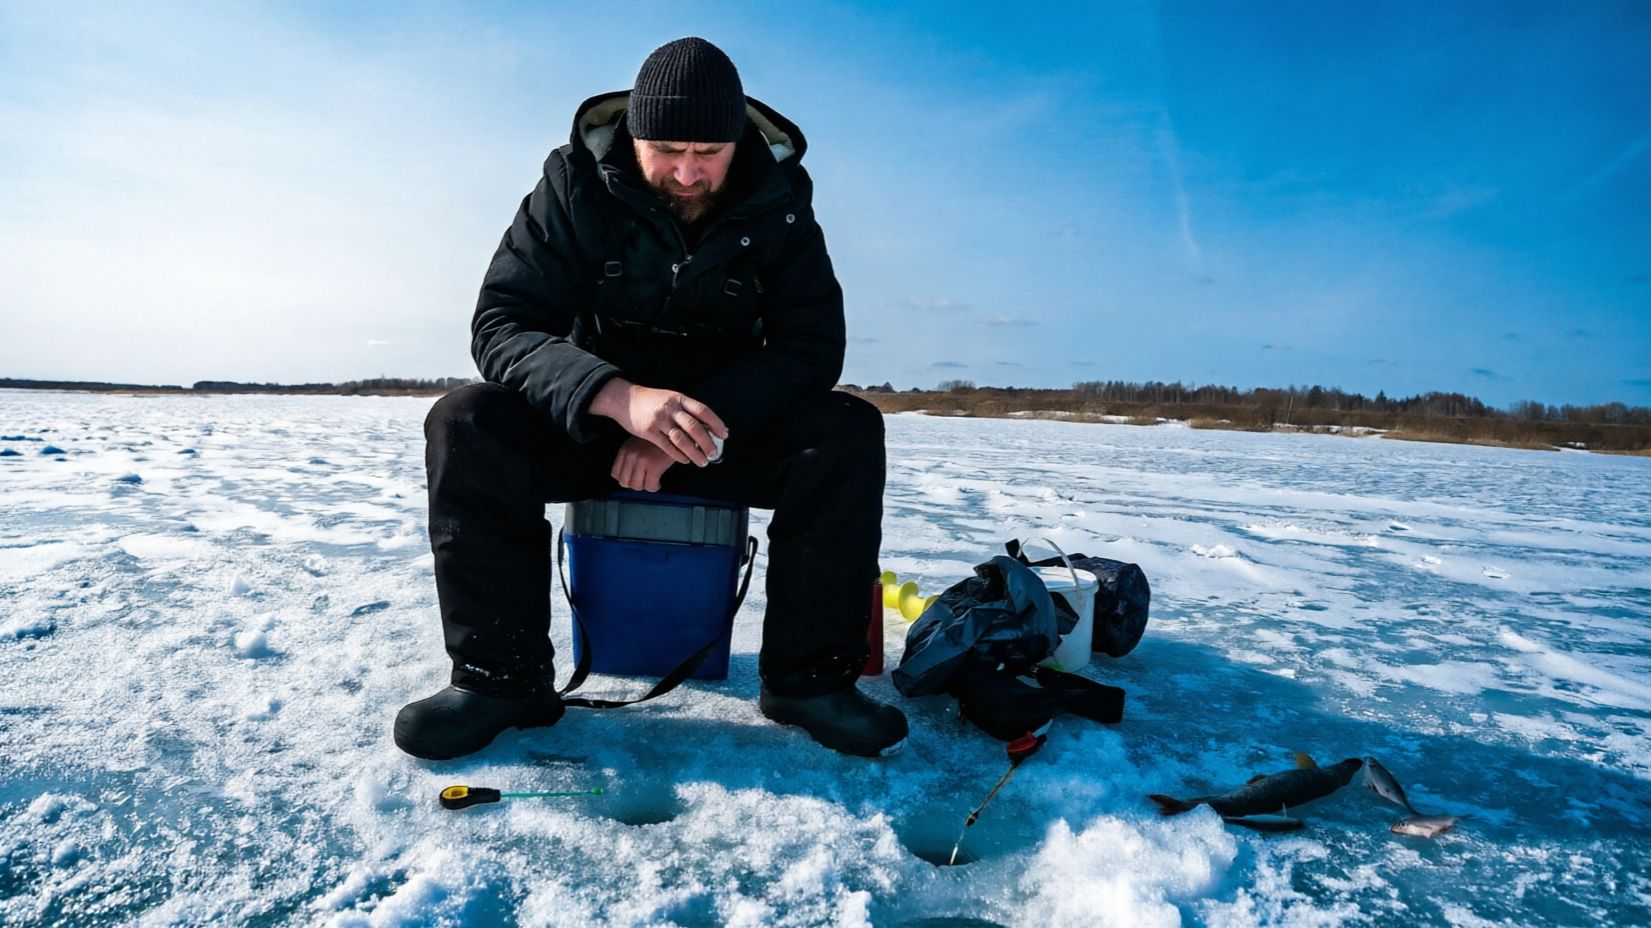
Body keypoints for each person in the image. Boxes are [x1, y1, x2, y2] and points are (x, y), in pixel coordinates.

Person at [393, 37, 907, 760]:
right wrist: (614, 397)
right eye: (667, 148)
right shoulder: (570, 188)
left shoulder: (781, 204)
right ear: (633, 133)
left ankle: (807, 682)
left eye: (709, 151)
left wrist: (685, 426)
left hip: (719, 431)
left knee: (847, 430)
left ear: (738, 142)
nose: (688, 172)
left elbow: (810, 348)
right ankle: (498, 679)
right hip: (594, 425)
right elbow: (503, 324)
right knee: (465, 421)